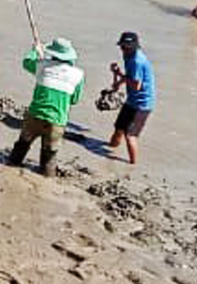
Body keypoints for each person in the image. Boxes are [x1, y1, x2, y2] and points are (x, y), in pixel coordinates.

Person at [10, 38, 87, 177]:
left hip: (34, 116)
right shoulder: (78, 75)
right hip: (56, 122)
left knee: (22, 144)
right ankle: (47, 177)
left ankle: (11, 166)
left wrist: (35, 50)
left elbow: (26, 62)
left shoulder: (42, 66)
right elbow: (74, 100)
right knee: (50, 154)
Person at [106, 31, 154, 166]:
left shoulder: (137, 61)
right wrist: (117, 80)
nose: (123, 50)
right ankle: (110, 151)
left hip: (142, 104)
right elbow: (130, 77)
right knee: (118, 128)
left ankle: (132, 165)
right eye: (122, 46)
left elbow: (136, 85)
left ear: (135, 47)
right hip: (131, 100)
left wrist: (119, 75)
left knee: (130, 136)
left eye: (126, 47)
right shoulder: (128, 56)